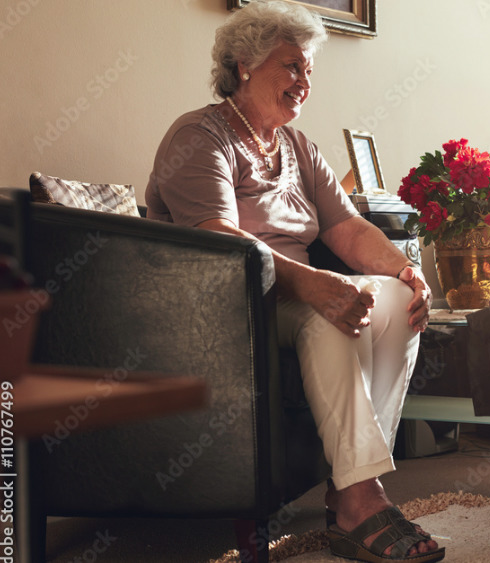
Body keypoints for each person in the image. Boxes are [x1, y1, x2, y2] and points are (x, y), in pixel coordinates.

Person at [145, 2, 444, 562]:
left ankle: (352, 485)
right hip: (224, 302)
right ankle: (361, 500)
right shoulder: (199, 135)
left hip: (290, 288)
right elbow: (218, 240)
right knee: (329, 318)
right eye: (291, 66)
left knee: (399, 301)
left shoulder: (297, 146)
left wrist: (406, 271)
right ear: (244, 66)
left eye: (309, 70)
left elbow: (346, 226)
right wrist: (315, 286)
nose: (304, 82)